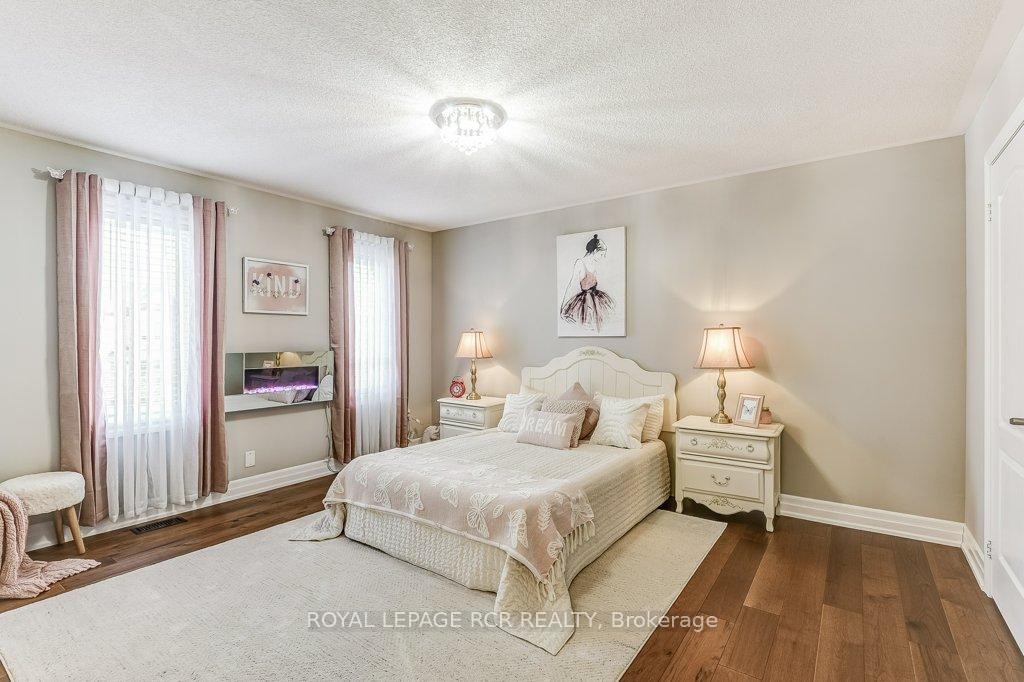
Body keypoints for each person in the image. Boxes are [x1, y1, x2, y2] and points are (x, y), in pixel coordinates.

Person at [560, 234, 615, 332]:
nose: (603, 256)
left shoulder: (595, 263)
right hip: (586, 301)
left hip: (597, 298)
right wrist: (564, 306)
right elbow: (572, 284)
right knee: (587, 323)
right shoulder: (580, 263)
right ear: (594, 251)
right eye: (602, 254)